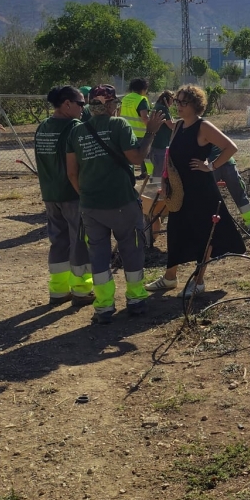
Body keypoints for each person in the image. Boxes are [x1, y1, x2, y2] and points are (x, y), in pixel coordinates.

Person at [66, 84, 164, 323]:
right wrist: (150, 132)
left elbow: (71, 173)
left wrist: (87, 196)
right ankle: (136, 298)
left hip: (90, 206)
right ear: (110, 105)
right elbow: (137, 157)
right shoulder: (118, 125)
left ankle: (104, 305)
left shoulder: (76, 132)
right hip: (121, 202)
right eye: (115, 104)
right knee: (131, 249)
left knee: (98, 254)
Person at [145, 85, 248, 297]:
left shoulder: (204, 127)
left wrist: (211, 166)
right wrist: (164, 181)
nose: (179, 106)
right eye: (178, 101)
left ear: (195, 105)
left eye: (184, 102)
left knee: (204, 235)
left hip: (201, 191)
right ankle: (169, 278)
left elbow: (231, 147)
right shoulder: (178, 126)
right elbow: (169, 157)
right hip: (178, 189)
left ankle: (199, 282)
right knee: (175, 232)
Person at [35, 86, 93, 306]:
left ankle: (58, 289)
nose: (83, 107)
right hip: (72, 193)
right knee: (79, 241)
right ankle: (81, 289)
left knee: (58, 241)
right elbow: (80, 164)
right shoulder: (74, 127)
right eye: (81, 103)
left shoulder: (43, 126)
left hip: (50, 194)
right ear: (67, 104)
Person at [210, 145, 250, 232]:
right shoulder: (213, 132)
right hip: (227, 162)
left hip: (210, 166)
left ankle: (213, 229)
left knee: (207, 197)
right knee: (240, 195)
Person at [120, 78, 152, 177]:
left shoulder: (125, 98)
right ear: (143, 89)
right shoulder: (141, 99)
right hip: (140, 133)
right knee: (145, 154)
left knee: (129, 155)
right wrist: (152, 129)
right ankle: (149, 174)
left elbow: (119, 112)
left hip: (126, 131)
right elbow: (145, 117)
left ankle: (131, 174)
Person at [148, 90, 176, 180]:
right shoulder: (162, 109)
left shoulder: (158, 107)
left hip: (156, 143)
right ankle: (156, 190)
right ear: (168, 99)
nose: (173, 102)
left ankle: (155, 187)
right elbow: (171, 125)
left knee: (157, 169)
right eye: (172, 99)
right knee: (159, 171)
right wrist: (183, 123)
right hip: (161, 144)